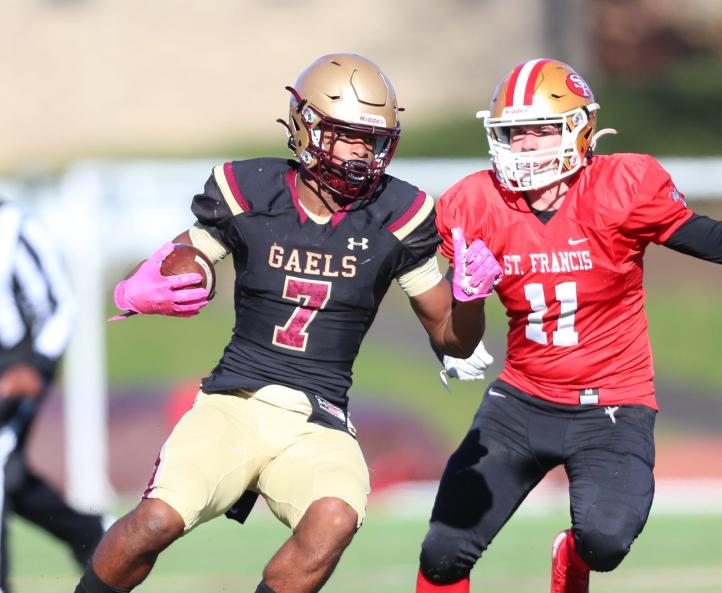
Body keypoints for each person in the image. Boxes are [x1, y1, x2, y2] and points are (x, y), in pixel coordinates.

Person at [417, 58, 722, 593]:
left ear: (578, 131)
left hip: (613, 405)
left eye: (541, 130)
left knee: (605, 541)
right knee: (442, 554)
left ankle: (571, 560)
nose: (526, 145)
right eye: (514, 132)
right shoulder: (474, 202)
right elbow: (416, 280)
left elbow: (720, 239)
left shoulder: (622, 187)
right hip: (522, 400)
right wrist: (455, 330)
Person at [73, 53, 500, 593]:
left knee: (334, 518)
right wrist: (165, 277)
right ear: (307, 124)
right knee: (156, 520)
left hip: (318, 419)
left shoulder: (400, 212)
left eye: (372, 140)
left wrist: (470, 300)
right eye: (347, 135)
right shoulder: (251, 188)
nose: (361, 153)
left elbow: (453, 340)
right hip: (234, 401)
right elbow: (187, 254)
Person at [0, 199, 108, 591]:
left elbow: (63, 306)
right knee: (11, 476)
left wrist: (37, 365)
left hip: (16, 366)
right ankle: (90, 532)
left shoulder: (15, 228)